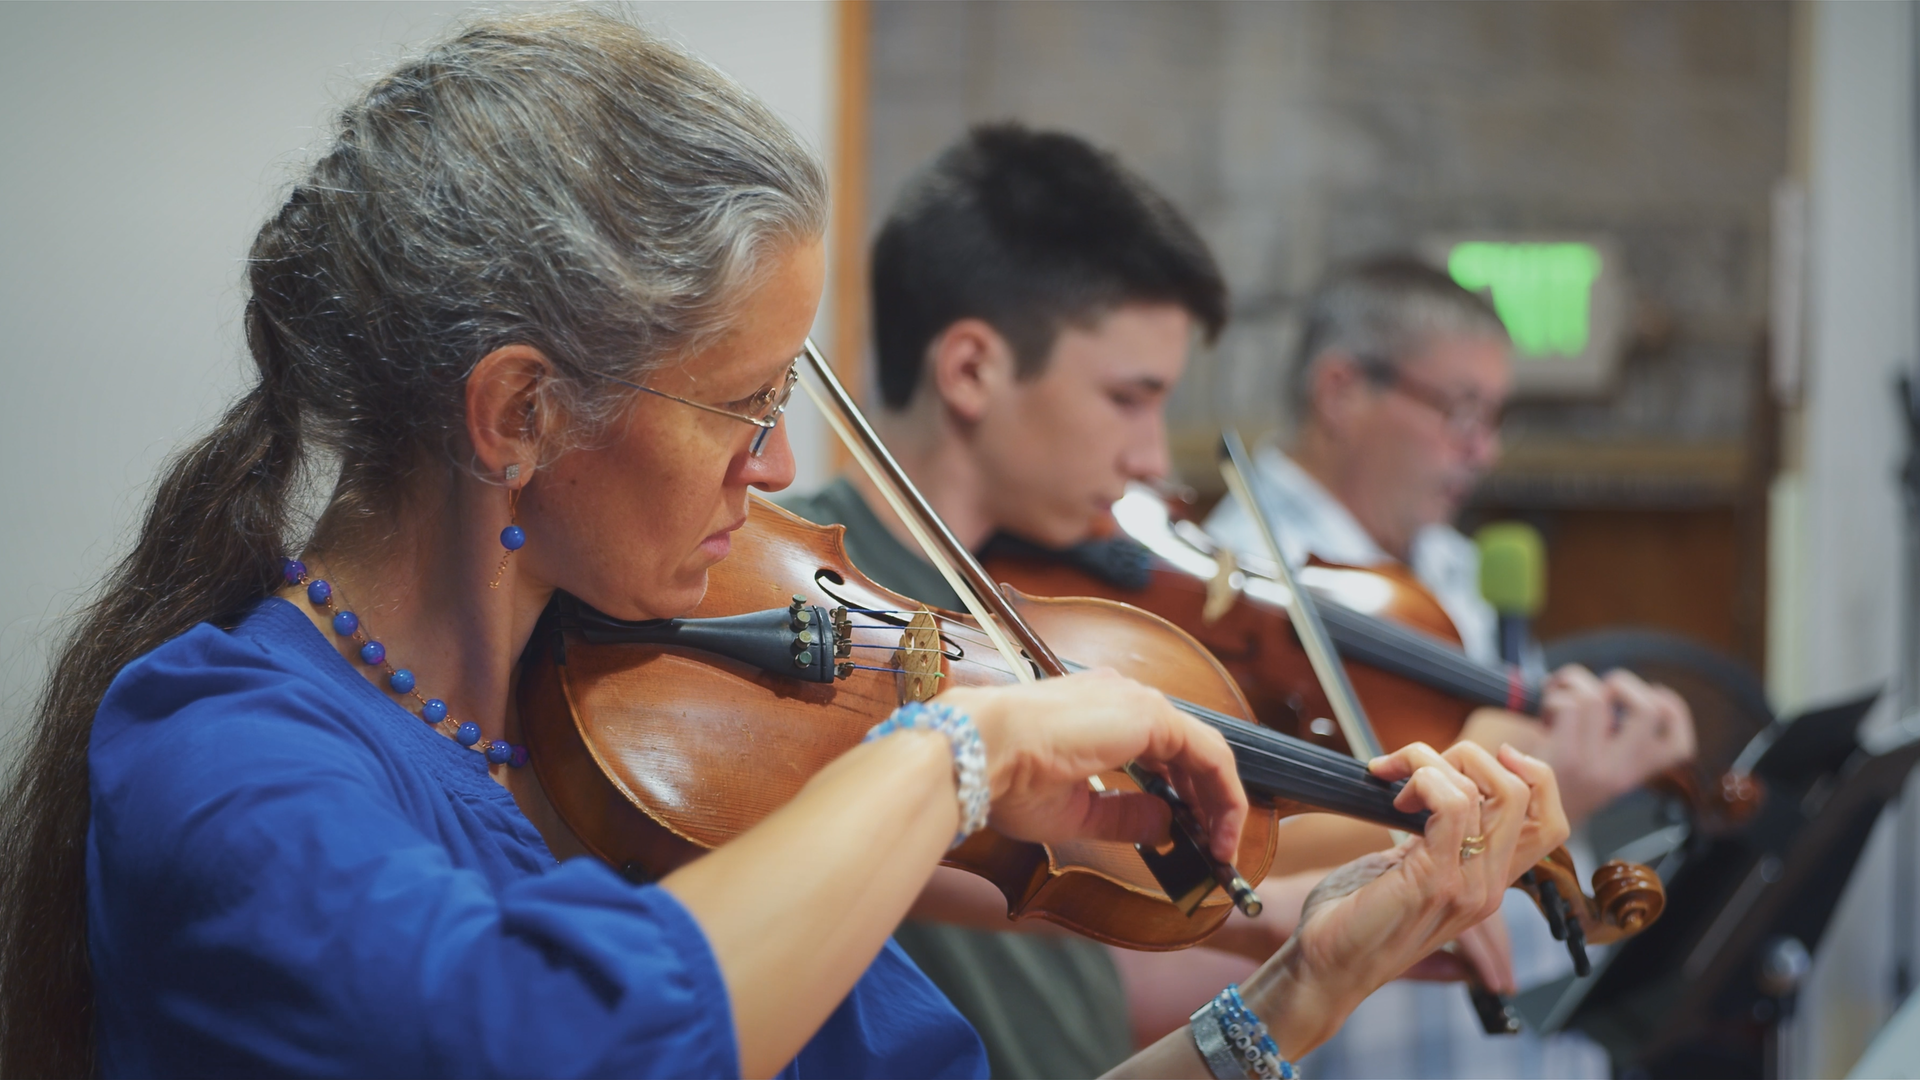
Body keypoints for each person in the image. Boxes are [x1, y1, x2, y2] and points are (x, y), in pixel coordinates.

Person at [0, 14, 1571, 1080]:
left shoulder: (641, 757)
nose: (781, 468)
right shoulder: (226, 765)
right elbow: (553, 1038)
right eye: (745, 403)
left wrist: (1303, 990)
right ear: (520, 414)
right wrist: (953, 748)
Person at [779, 126, 1644, 1077]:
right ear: (973, 369)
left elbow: (1116, 963)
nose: (1154, 458)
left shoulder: (1063, 618)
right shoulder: (794, 602)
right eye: (1128, 397)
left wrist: (1330, 933)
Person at [1204, 256, 1697, 1078]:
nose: (1483, 450)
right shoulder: (1232, 592)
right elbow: (1231, 853)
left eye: (1495, 419)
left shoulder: (1459, 572)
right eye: (1459, 412)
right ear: (1341, 392)